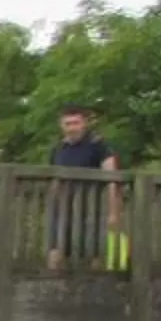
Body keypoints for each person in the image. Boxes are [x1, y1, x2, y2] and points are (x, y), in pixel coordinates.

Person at [45, 106, 121, 273]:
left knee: (93, 253)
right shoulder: (58, 149)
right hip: (63, 208)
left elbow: (112, 178)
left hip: (90, 208)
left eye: (76, 123)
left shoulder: (98, 145)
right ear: (61, 126)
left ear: (84, 124)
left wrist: (113, 212)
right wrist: (52, 204)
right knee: (56, 250)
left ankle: (93, 288)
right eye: (68, 124)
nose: (72, 128)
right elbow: (54, 180)